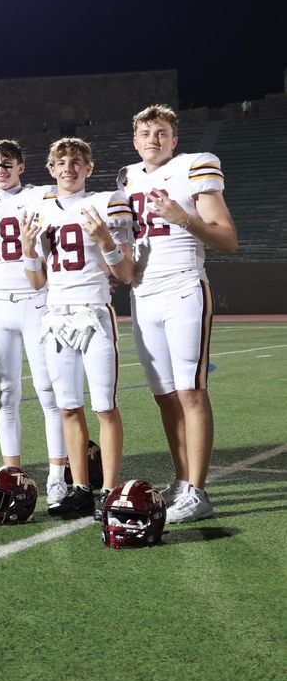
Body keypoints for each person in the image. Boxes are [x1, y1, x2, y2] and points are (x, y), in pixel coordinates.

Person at [118, 104, 238, 522]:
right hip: (142, 294)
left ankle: (199, 492)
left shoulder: (196, 166)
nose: (154, 138)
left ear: (174, 139)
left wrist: (183, 217)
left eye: (162, 132)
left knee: (190, 392)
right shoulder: (127, 177)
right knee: (165, 396)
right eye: (146, 132)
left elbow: (228, 240)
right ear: (135, 141)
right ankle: (183, 479)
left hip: (185, 286)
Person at [21, 137, 135, 518]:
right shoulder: (39, 210)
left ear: (89, 167)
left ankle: (109, 491)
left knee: (104, 407)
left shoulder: (105, 203)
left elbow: (125, 272)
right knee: (68, 406)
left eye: (77, 161)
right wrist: (27, 251)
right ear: (51, 169)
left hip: (93, 312)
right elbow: (37, 283)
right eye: (61, 161)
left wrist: (105, 240)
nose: (68, 167)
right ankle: (81, 487)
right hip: (55, 316)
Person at [0, 140, 69, 504]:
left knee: (48, 392)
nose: (0, 169)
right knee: (6, 394)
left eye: (7, 163)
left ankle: (57, 475)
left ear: (22, 166)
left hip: (36, 302)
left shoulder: (42, 195)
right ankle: (12, 474)